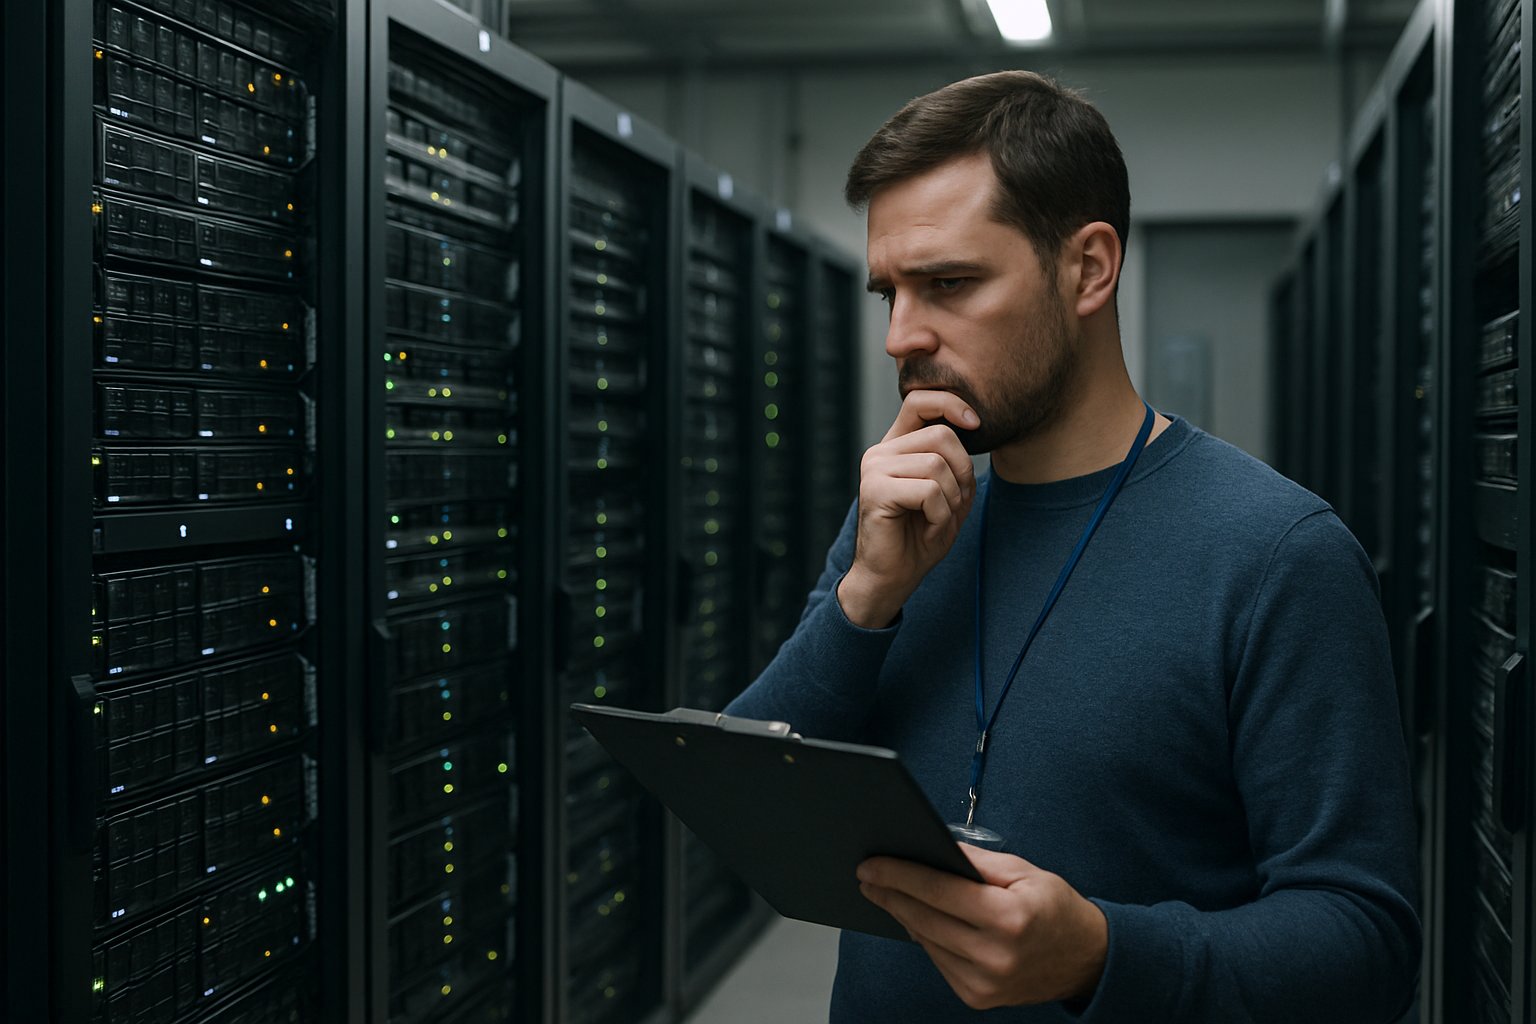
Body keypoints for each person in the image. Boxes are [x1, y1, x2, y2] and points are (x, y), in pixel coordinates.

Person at [724, 70, 1420, 1022]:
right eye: (889, 291)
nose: (900, 335)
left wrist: (1101, 954)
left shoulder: (1276, 556)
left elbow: (1365, 942)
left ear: (1089, 268)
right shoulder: (897, 520)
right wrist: (865, 600)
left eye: (950, 284)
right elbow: (750, 809)